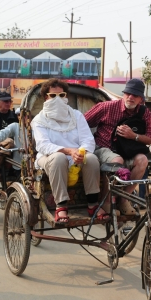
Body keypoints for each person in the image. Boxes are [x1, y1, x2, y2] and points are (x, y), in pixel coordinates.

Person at [31, 79, 104, 224]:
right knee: (59, 158)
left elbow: (88, 139)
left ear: (66, 97)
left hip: (76, 155)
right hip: (48, 157)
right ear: (46, 97)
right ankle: (61, 206)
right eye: (53, 96)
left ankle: (92, 204)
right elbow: (43, 145)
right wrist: (69, 151)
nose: (57, 99)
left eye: (61, 95)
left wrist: (80, 152)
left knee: (92, 159)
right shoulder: (39, 120)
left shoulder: (76, 115)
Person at [84, 78, 151, 216]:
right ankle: (107, 201)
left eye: (135, 95)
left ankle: (123, 198)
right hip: (103, 148)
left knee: (143, 160)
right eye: (128, 93)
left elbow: (150, 138)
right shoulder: (107, 107)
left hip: (127, 151)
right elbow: (81, 123)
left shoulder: (145, 113)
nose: (130, 97)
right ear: (123, 94)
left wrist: (133, 135)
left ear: (141, 99)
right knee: (117, 161)